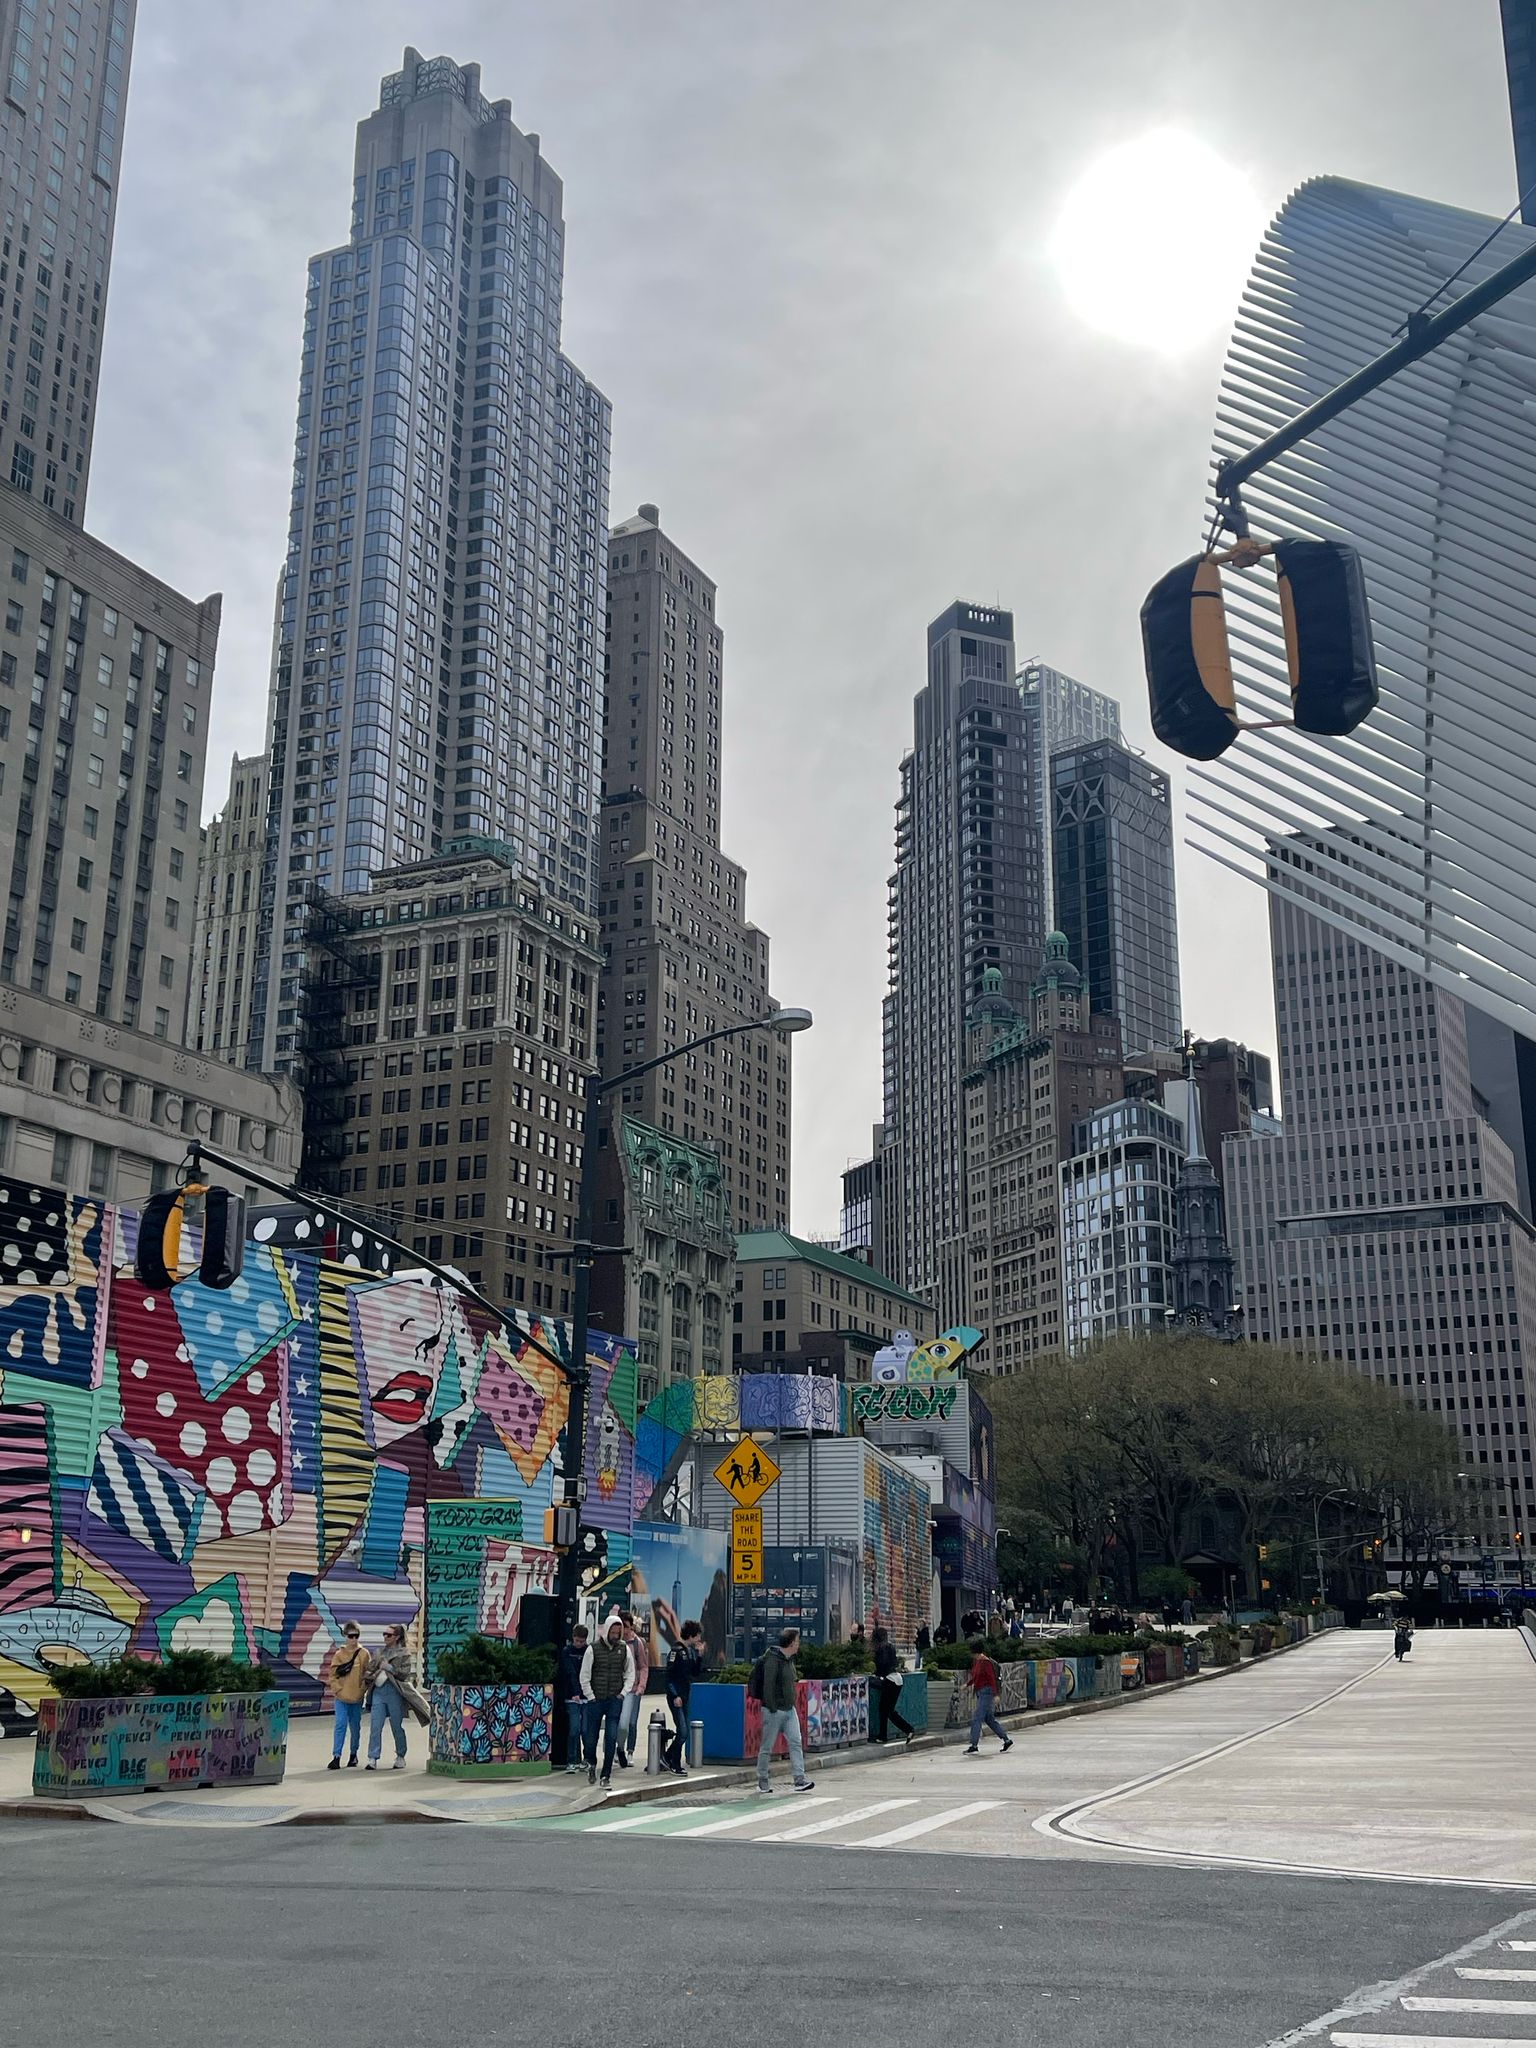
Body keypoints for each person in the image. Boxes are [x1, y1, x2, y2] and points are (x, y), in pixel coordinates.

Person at [756, 1626, 815, 1795]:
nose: (798, 1645)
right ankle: (762, 1780)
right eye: (797, 1642)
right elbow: (768, 1686)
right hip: (774, 1711)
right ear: (789, 1643)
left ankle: (799, 1779)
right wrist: (772, 1707)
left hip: (789, 1710)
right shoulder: (773, 1660)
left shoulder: (789, 1661)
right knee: (767, 1747)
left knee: (796, 1742)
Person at [579, 1613, 634, 1788]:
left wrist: (623, 1693)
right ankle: (592, 1763)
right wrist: (591, 1696)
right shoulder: (592, 1649)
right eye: (614, 1632)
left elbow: (630, 1673)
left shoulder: (624, 1649)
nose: (616, 1636)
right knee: (590, 1738)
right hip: (596, 1700)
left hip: (614, 1699)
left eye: (619, 1632)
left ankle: (606, 1775)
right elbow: (585, 1675)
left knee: (611, 1737)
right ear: (607, 1630)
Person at [365, 1623, 413, 1771]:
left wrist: (389, 1667)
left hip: (395, 1692)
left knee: (396, 1726)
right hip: (379, 1691)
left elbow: (405, 1674)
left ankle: (400, 1755)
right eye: (384, 1634)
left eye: (389, 1635)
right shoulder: (379, 1652)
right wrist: (373, 1671)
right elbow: (369, 1670)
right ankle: (372, 1757)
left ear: (397, 1637)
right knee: (375, 1726)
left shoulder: (404, 1653)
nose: (385, 1637)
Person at [663, 1619, 705, 1774]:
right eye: (698, 1635)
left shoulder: (690, 1651)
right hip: (677, 1697)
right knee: (683, 1731)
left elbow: (695, 1673)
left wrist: (700, 1656)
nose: (699, 1639)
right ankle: (674, 1762)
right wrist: (674, 1695)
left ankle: (667, 1757)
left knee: (684, 1730)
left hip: (686, 1695)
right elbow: (668, 1676)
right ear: (691, 1635)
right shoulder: (676, 1651)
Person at [325, 1620, 368, 1771]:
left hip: (356, 1698)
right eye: (351, 1636)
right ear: (345, 1636)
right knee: (340, 1725)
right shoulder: (339, 1654)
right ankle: (336, 1756)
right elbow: (333, 1674)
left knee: (355, 1727)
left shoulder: (363, 1654)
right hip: (342, 1697)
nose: (354, 1639)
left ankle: (353, 1754)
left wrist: (362, 1690)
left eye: (356, 1636)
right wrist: (337, 1689)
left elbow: (366, 1674)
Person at [963, 1638, 1013, 1757]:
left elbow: (991, 1679)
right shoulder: (977, 1662)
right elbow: (976, 1677)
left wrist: (996, 1694)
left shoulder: (986, 1662)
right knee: (989, 1719)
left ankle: (974, 1745)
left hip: (987, 1692)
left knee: (977, 1718)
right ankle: (1006, 1740)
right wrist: (968, 1684)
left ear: (975, 1652)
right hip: (981, 1692)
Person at [616, 1612, 650, 1769]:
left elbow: (643, 1666)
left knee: (631, 1722)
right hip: (617, 1688)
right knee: (618, 1721)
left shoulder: (637, 1644)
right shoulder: (614, 1643)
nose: (626, 1631)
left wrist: (641, 1686)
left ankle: (630, 1751)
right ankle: (619, 1748)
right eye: (624, 1627)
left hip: (633, 1688)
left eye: (629, 1627)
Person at [872, 1626, 915, 1746]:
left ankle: (904, 1730)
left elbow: (882, 1664)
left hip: (890, 1679)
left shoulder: (881, 1648)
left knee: (885, 1710)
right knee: (887, 1710)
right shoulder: (890, 1646)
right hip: (896, 1678)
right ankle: (887, 1734)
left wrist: (877, 1673)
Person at [556, 1624, 589, 1774]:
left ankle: (586, 1759)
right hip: (572, 1696)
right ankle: (571, 1759)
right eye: (577, 1641)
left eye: (581, 1641)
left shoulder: (589, 1651)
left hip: (586, 1696)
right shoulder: (567, 1652)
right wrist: (575, 1692)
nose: (579, 1644)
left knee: (586, 1730)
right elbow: (569, 1672)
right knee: (574, 1729)